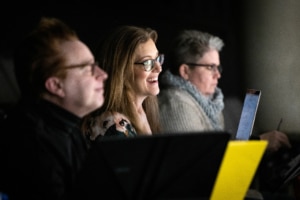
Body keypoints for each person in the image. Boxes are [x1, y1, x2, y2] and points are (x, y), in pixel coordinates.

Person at [157, 29, 294, 199]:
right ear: (185, 71)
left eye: (218, 67)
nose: (218, 74)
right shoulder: (176, 104)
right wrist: (258, 144)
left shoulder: (208, 103)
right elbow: (202, 171)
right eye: (210, 67)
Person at [0, 17, 108, 200]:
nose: (103, 75)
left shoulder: (67, 125)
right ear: (55, 85)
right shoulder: (33, 147)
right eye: (88, 68)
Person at [81, 25, 162, 141]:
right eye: (148, 62)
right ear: (122, 71)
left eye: (158, 59)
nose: (159, 68)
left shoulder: (143, 113)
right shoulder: (114, 125)